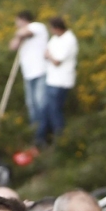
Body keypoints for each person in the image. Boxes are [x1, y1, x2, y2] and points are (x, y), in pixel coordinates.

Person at [10, 13, 50, 147]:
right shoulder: (21, 35)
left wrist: (19, 34)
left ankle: (42, 137)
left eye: (17, 21)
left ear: (22, 20)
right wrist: (18, 36)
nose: (16, 25)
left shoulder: (37, 27)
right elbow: (13, 46)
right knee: (32, 106)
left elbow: (25, 33)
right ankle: (36, 134)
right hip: (28, 74)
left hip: (40, 72)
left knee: (40, 104)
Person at [41, 16, 78, 146]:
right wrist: (49, 55)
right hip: (51, 80)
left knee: (55, 111)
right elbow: (46, 52)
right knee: (47, 110)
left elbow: (57, 60)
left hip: (62, 82)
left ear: (57, 28)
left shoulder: (69, 40)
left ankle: (60, 139)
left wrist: (49, 56)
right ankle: (43, 139)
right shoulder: (55, 38)